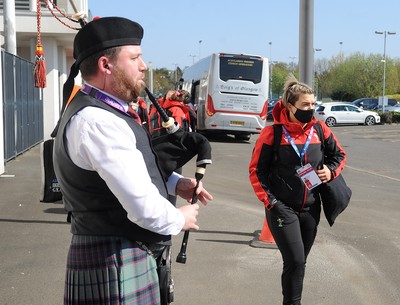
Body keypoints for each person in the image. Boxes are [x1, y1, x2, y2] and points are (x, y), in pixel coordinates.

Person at [52, 17, 212, 305]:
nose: (144, 66)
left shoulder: (99, 112)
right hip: (114, 261)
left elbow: (124, 172)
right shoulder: (98, 121)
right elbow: (142, 207)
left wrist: (175, 183)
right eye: (135, 57)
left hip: (117, 256)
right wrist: (179, 219)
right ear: (106, 65)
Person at [249, 75, 346, 305]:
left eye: (313, 104)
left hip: (312, 208)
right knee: (294, 260)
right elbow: (256, 172)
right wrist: (272, 203)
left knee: (299, 263)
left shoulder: (320, 129)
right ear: (290, 106)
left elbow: (339, 155)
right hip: (282, 209)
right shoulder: (272, 133)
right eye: (305, 105)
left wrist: (330, 171)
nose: (310, 109)